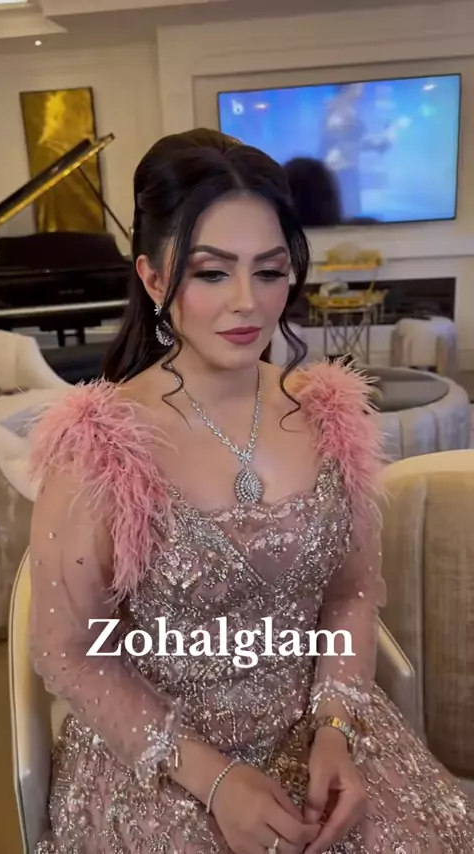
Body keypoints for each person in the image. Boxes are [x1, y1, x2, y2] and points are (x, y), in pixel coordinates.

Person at [27, 128, 474, 854]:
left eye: (269, 271)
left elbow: (350, 594)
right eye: (211, 273)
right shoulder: (101, 445)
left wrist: (336, 726)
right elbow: (69, 651)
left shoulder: (331, 416)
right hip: (162, 756)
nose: (248, 303)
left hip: (315, 725)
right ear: (152, 278)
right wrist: (211, 778)